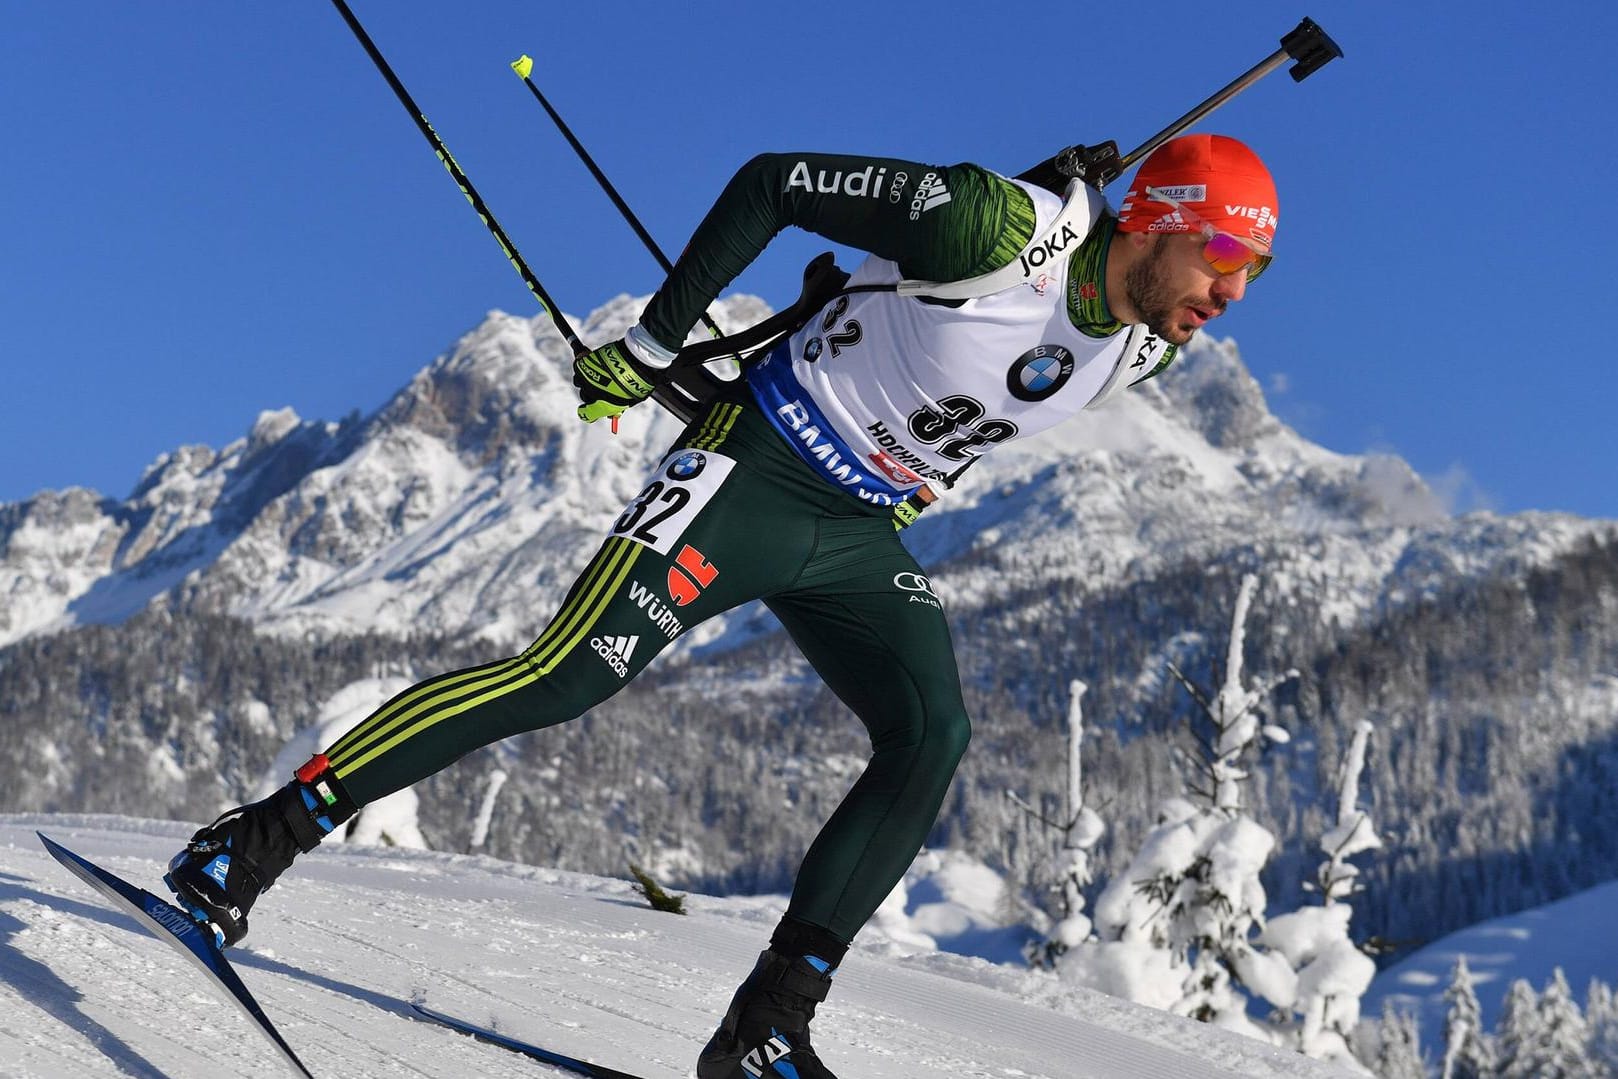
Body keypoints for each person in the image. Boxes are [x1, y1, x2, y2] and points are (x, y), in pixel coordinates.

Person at [166, 132, 1279, 1078]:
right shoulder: (995, 228)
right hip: (755, 466)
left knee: (929, 732)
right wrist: (653, 344)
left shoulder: (1149, 352)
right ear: (1160, 217)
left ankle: (764, 1029)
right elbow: (774, 181)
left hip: (856, 530)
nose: (1231, 296)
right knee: (566, 676)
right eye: (1224, 256)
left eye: (1255, 277)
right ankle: (249, 843)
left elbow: (1003, 347)